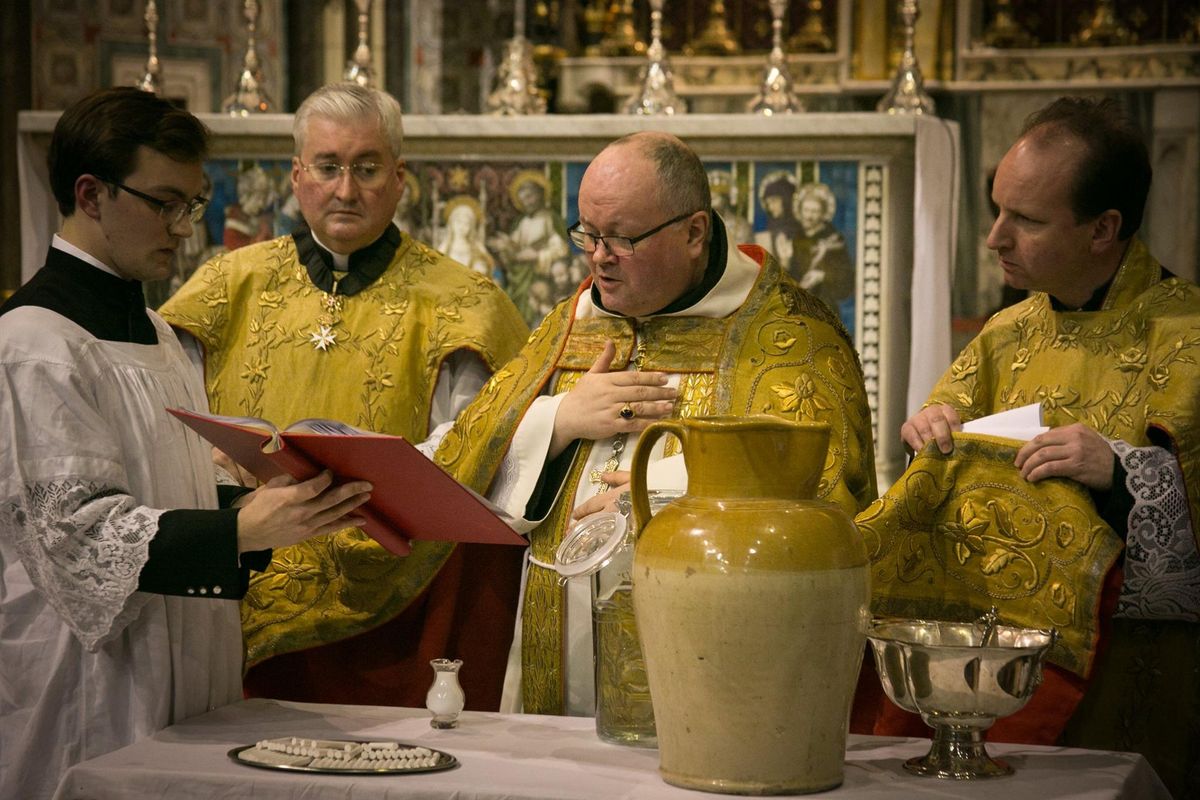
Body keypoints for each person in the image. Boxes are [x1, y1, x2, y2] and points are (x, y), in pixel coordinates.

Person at [0, 87, 372, 800]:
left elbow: (162, 496)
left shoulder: (160, 335)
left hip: (187, 657)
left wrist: (274, 508)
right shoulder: (35, 345)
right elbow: (79, 540)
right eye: (165, 203)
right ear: (91, 193)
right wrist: (237, 528)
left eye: (192, 204)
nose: (184, 229)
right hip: (88, 680)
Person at [435, 131, 878, 717]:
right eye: (587, 234)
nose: (597, 257)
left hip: (712, 667)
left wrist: (666, 490)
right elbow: (462, 455)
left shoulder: (793, 340)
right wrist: (558, 419)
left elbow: (823, 499)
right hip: (552, 654)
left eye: (621, 237)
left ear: (694, 233)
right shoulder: (573, 321)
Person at [853, 96, 1200, 798]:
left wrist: (1128, 473)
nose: (995, 238)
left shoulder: (1189, 338)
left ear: (1104, 228)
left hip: (1125, 682)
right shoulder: (1004, 334)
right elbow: (939, 467)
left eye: (1027, 220)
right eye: (997, 209)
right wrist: (929, 433)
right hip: (970, 682)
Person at [159, 83, 529, 711]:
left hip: (397, 603)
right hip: (239, 582)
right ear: (298, 175)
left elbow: (477, 457)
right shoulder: (224, 287)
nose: (346, 190)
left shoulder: (463, 303)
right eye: (328, 168)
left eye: (367, 168)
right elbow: (168, 428)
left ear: (400, 176)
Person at [487, 170, 570, 325]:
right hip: (519, 277)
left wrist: (537, 256)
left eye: (530, 196)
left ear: (540, 194)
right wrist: (505, 246)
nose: (527, 202)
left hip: (540, 275)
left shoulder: (550, 218)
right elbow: (515, 248)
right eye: (523, 199)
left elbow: (561, 249)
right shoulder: (521, 222)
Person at [792, 182, 854, 323]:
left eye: (815, 211)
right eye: (806, 210)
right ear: (799, 211)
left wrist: (822, 276)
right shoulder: (797, 238)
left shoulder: (833, 241)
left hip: (824, 310)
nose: (809, 216)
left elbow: (846, 280)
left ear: (823, 214)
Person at [434, 195, 495, 277]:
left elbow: (486, 267)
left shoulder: (477, 247)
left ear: (471, 227)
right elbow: (436, 269)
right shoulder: (445, 247)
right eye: (458, 222)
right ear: (451, 224)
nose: (461, 227)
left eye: (466, 223)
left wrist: (479, 268)